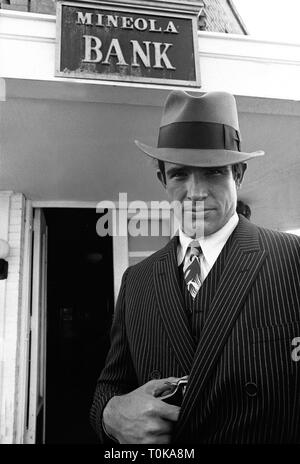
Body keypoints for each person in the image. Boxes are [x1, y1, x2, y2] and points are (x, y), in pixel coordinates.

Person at [90, 90, 300, 444]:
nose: (195, 192)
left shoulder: (292, 258)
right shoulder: (137, 281)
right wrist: (110, 415)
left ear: (239, 175)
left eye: (214, 172)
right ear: (162, 179)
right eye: (180, 175)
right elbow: (111, 385)